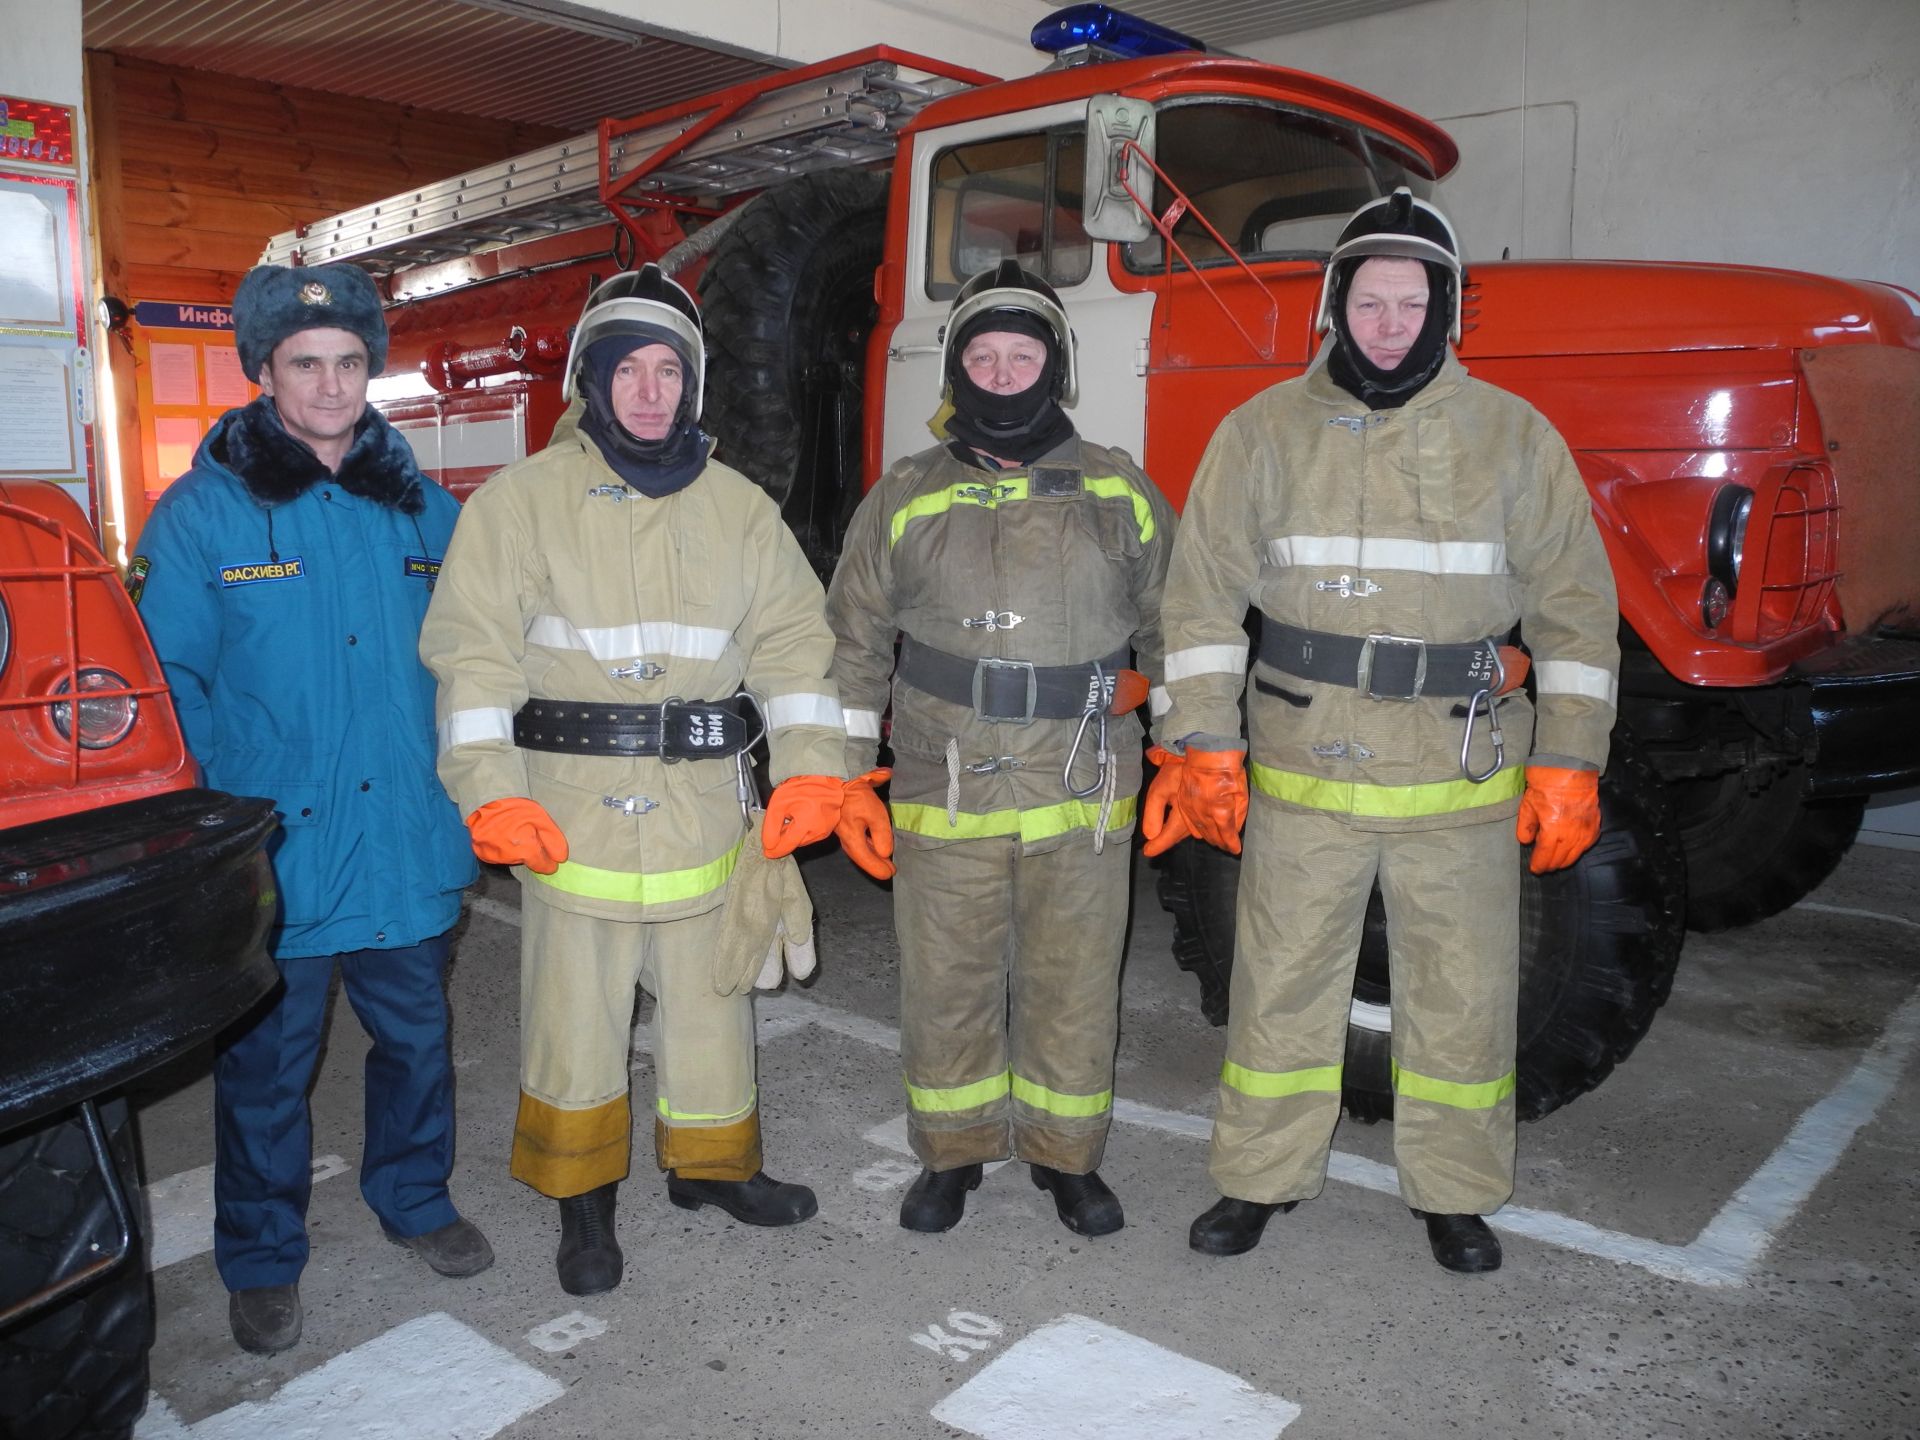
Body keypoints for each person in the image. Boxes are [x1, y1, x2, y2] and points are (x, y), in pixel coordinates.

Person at [1145, 189, 1620, 1274]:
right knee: (1279, 987)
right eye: (1372, 299)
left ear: (1449, 310)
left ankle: (1454, 1194)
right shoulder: (1260, 433)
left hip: (1460, 771)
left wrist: (1571, 761)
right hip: (1304, 771)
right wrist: (1203, 739)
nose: (1393, 321)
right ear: (1334, 305)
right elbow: (1201, 599)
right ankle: (1259, 1179)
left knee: (1461, 998)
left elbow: (1576, 612)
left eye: (1415, 301)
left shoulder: (1514, 436)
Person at [419, 265, 878, 1296]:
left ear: (694, 383)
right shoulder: (519, 504)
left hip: (706, 814)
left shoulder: (740, 511)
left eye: (669, 368)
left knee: (714, 1006)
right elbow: (471, 659)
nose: (649, 388)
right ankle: (584, 1204)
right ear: (592, 378)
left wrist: (815, 773)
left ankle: (712, 1169)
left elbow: (799, 656)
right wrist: (488, 790)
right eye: (628, 368)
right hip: (567, 816)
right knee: (574, 1019)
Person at [132, 262, 490, 1355]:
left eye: (347, 363)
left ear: (368, 367)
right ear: (261, 372)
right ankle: (261, 1254)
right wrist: (205, 843)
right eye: (305, 364)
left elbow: (476, 665)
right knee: (264, 1074)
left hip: (406, 846)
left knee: (419, 1046)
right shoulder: (201, 515)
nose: (331, 386)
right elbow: (169, 686)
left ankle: (415, 1199)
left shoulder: (430, 511)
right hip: (277, 855)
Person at [827, 260, 1176, 1237]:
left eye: (1025, 354)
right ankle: (954, 1154)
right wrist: (846, 777)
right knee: (946, 983)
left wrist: (1196, 752)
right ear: (956, 372)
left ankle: (1067, 1160)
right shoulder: (904, 495)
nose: (1004, 370)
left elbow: (1173, 624)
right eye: (983, 353)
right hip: (946, 787)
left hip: (1085, 788)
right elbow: (852, 642)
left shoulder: (1118, 488)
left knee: (1074, 984)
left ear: (1055, 368)